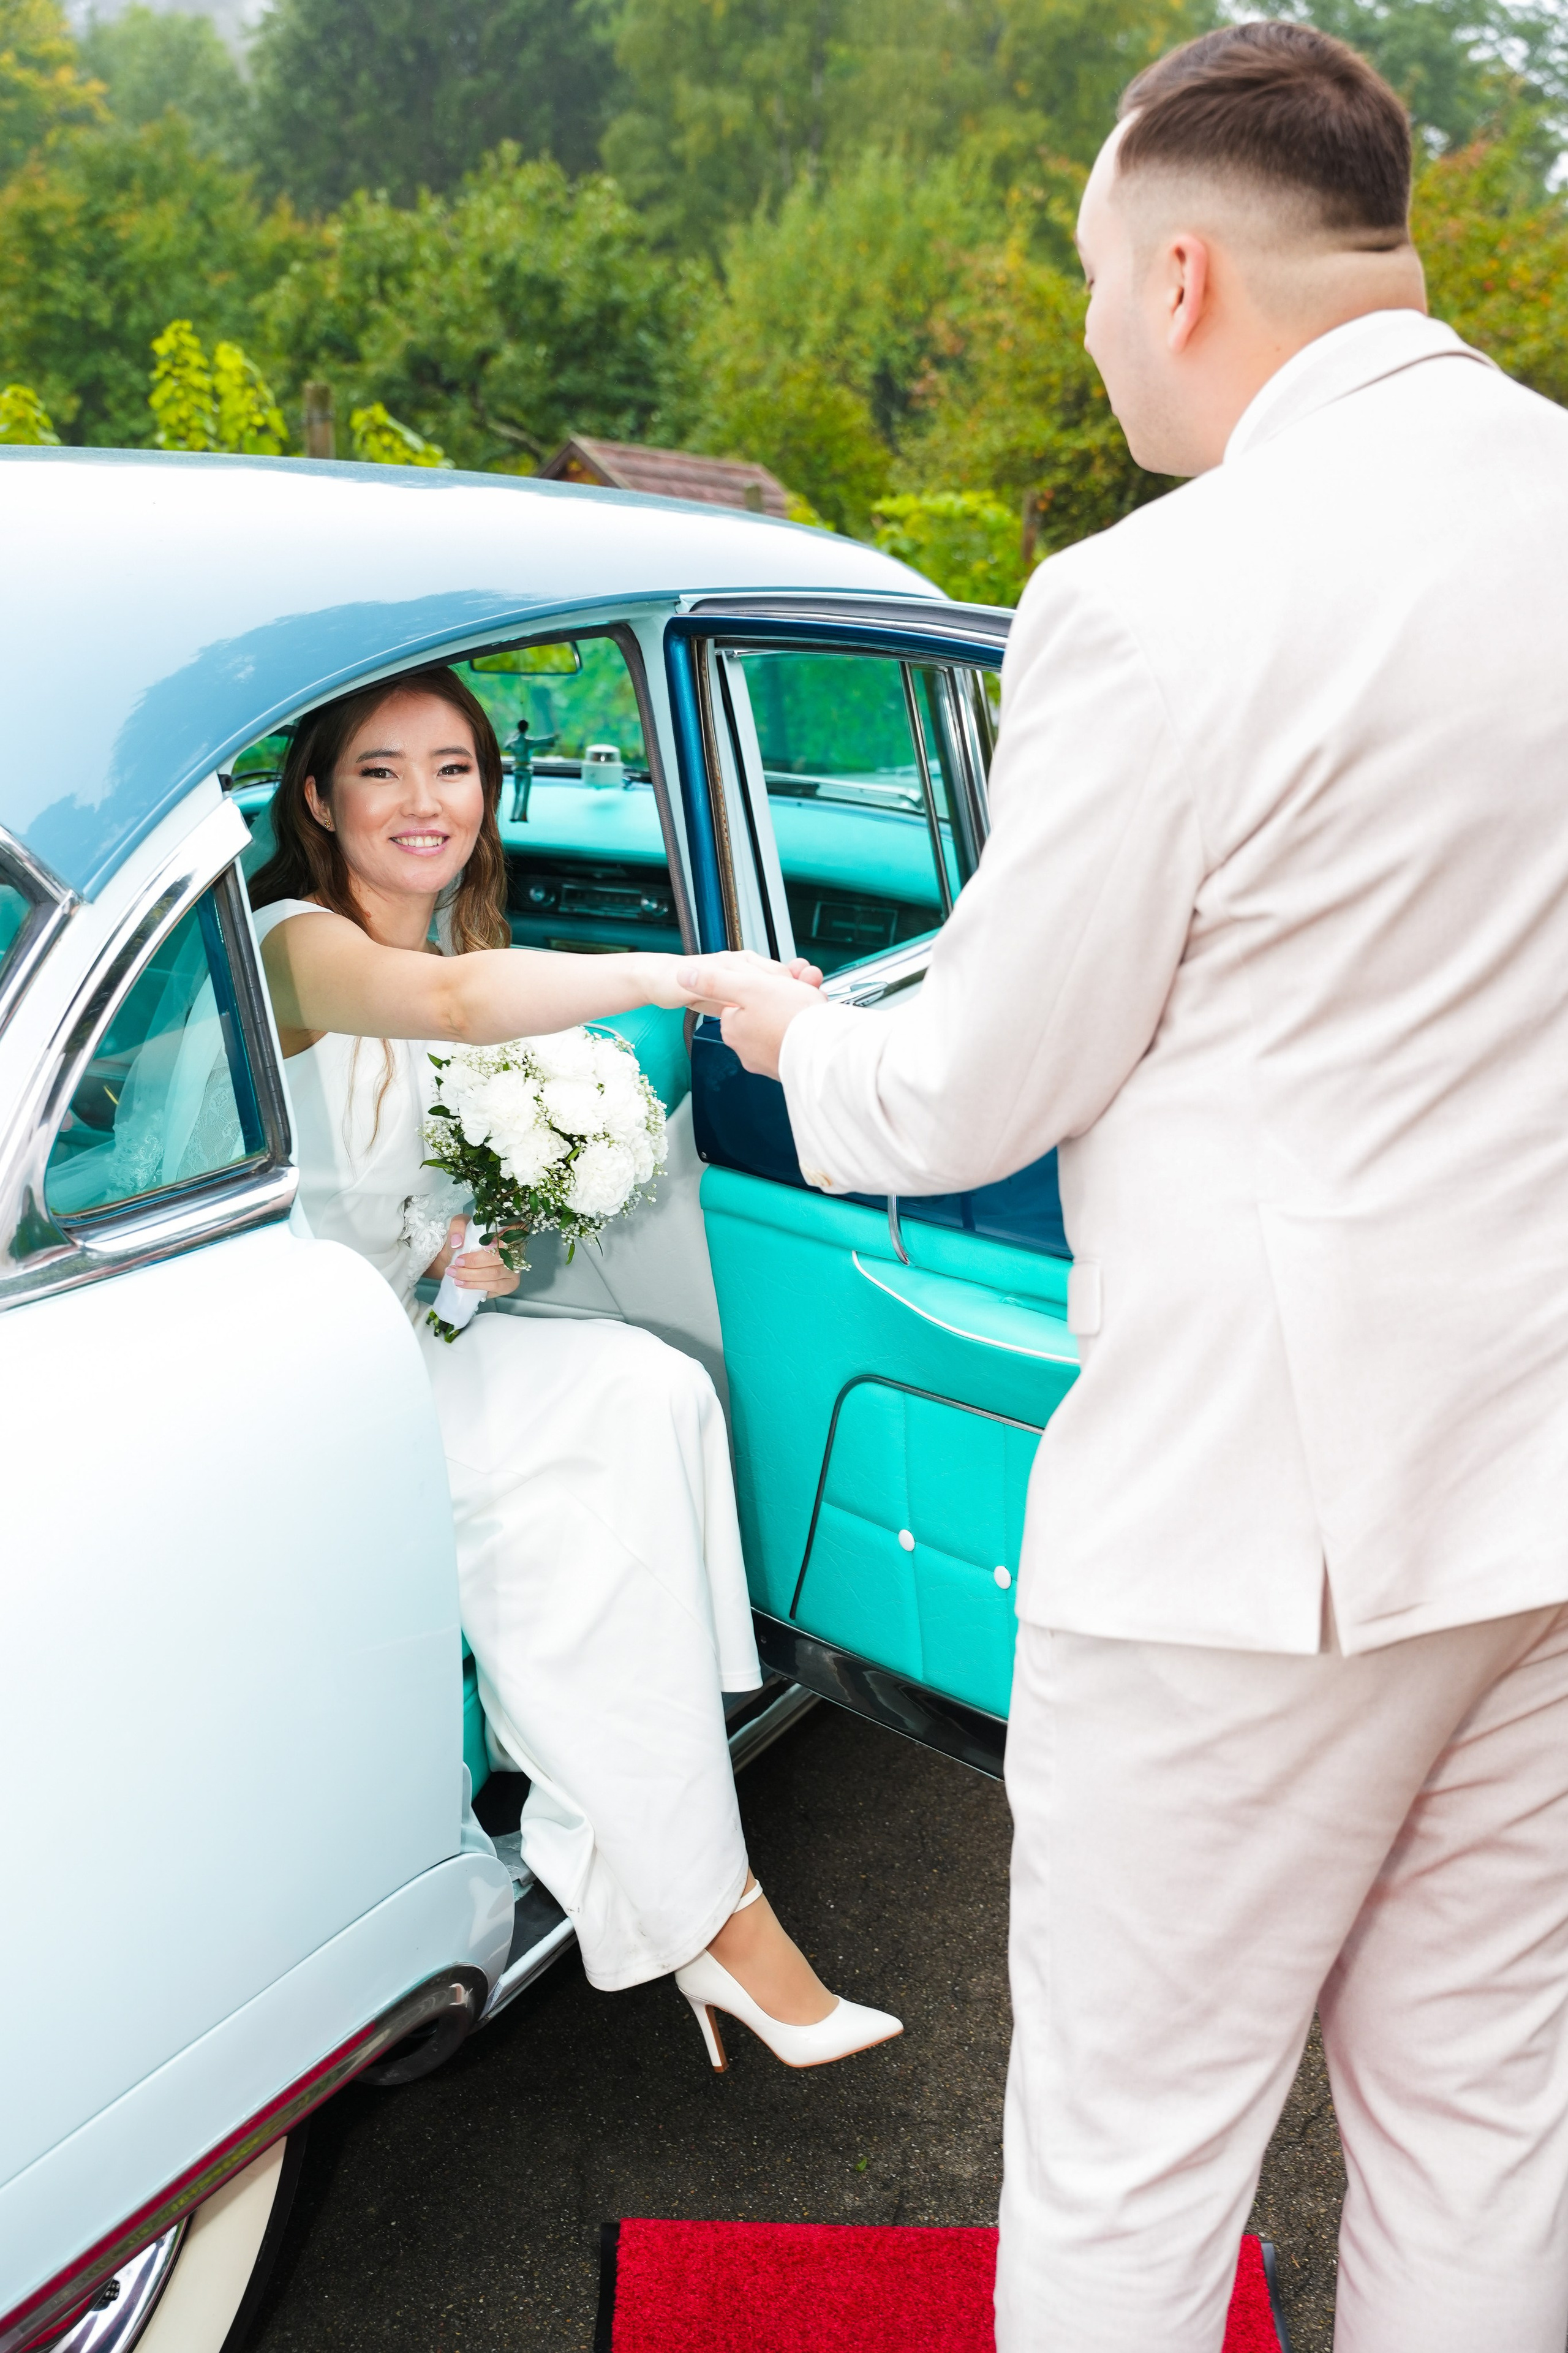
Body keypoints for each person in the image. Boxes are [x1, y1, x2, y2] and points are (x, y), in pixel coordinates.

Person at [677, 21, 1568, 2351]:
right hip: (1546, 1489)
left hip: (1246, 1541)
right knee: (1485, 2122)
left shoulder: (1156, 599)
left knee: (1129, 2159)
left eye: (1089, 282)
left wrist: (803, 1038)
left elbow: (974, 1087)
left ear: (1178, 274)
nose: (1091, 336)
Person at [250, 663, 901, 2073]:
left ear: (491, 794)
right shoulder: (293, 943)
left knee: (648, 1388)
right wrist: (695, 976)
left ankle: (644, 1825)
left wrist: (453, 1256)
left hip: (398, 1335)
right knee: (566, 1476)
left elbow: (385, 1187)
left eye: (455, 769)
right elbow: (467, 1007)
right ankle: (713, 1914)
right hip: (297, 1385)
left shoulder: (451, 941)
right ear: (316, 799)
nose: (425, 802)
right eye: (381, 770)